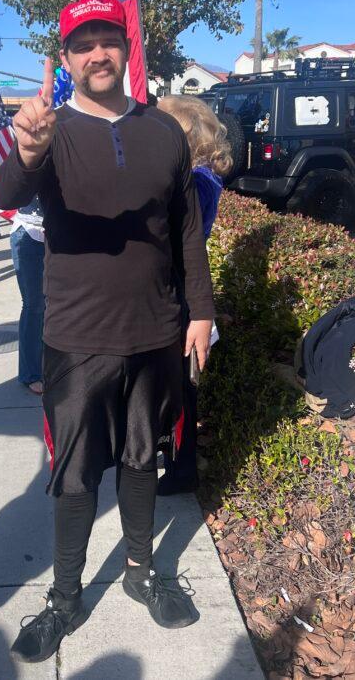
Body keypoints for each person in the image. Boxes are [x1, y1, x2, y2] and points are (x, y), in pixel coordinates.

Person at [0, 0, 215, 662]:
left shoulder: (164, 131)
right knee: (76, 474)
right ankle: (65, 597)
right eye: (82, 44)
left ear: (126, 49)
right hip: (77, 337)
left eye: (108, 41)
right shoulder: (51, 130)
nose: (97, 53)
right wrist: (27, 150)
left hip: (155, 331)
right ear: (66, 58)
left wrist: (200, 311)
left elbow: (185, 230)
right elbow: (4, 195)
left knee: (144, 458)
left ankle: (141, 573)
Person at [156, 95, 233, 494]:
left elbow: (179, 237)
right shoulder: (200, 177)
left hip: (183, 289)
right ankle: (172, 455)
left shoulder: (197, 182)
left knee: (181, 386)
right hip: (180, 285)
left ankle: (182, 468)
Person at [9, 196, 45, 395]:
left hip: (60, 233)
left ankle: (52, 364)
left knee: (58, 304)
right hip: (30, 235)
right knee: (35, 305)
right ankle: (31, 373)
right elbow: (5, 196)